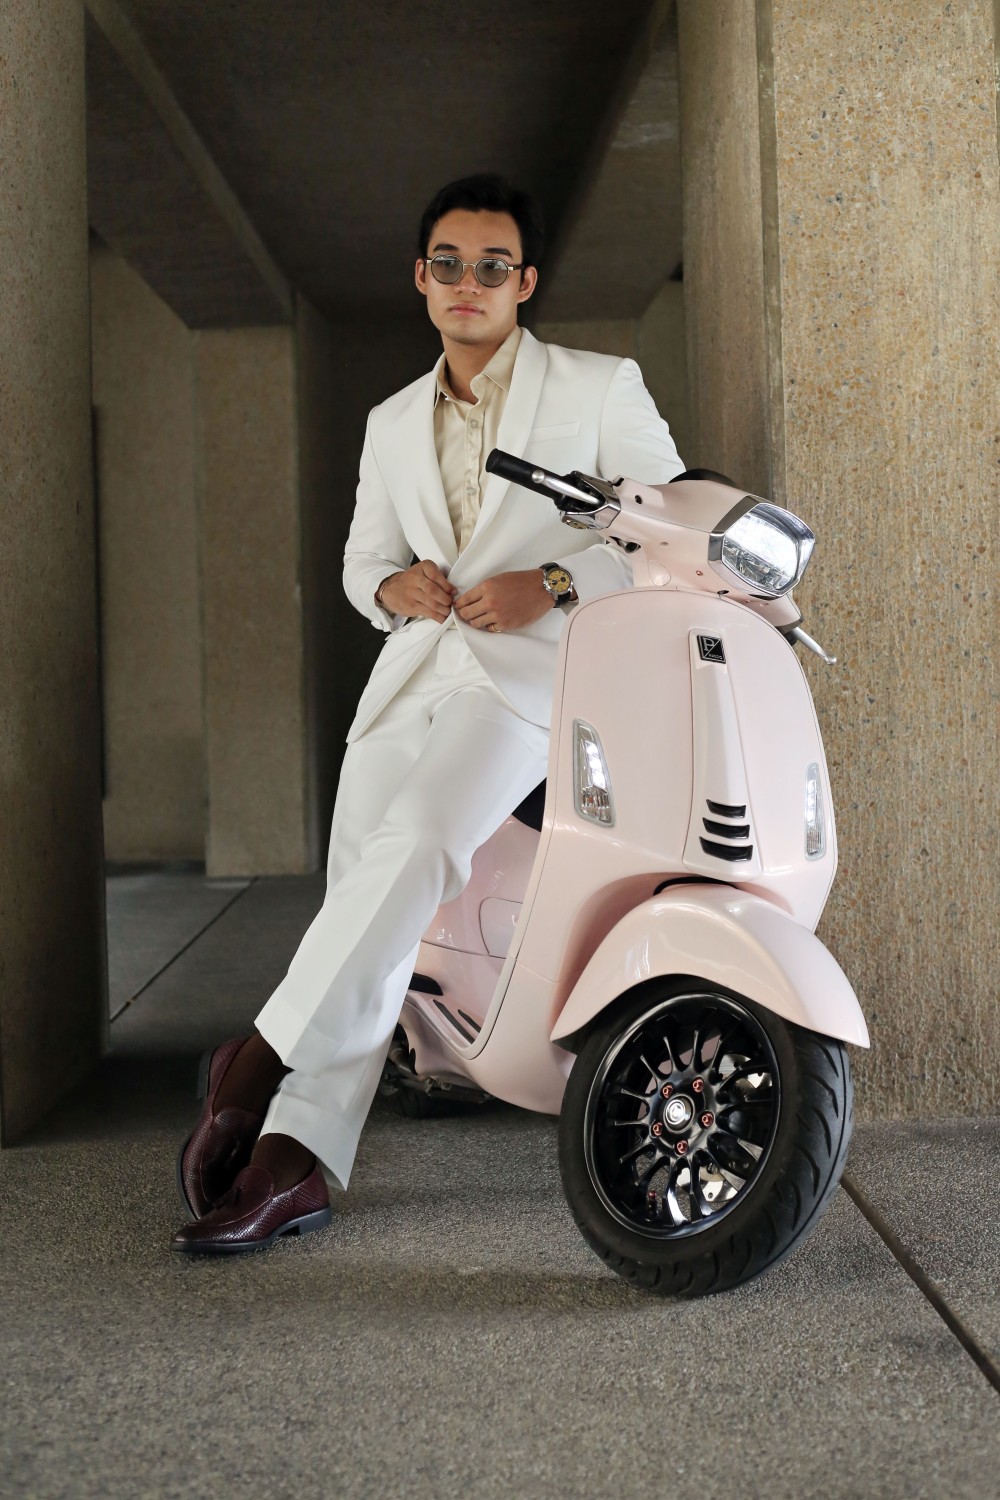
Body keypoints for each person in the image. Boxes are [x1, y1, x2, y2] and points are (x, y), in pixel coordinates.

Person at [171, 173, 684, 1254]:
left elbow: (667, 534)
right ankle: (295, 1163)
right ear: (420, 276)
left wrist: (550, 585)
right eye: (446, 263)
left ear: (525, 283)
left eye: (492, 266)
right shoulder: (391, 421)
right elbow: (364, 561)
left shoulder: (598, 387)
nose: (467, 284)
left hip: (524, 682)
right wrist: (389, 590)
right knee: (369, 906)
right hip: (409, 678)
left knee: (416, 847)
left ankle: (256, 1057)